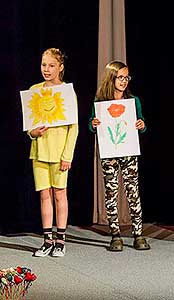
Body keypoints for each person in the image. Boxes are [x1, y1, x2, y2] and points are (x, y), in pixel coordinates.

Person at [89, 60, 150, 252]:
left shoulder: (133, 101)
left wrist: (141, 125)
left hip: (129, 151)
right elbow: (91, 124)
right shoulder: (100, 102)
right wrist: (94, 123)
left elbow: (140, 124)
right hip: (109, 154)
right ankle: (115, 234)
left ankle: (138, 234)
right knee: (111, 192)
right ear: (111, 78)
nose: (124, 81)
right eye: (120, 77)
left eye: (127, 77)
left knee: (133, 192)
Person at [27, 48, 79, 257]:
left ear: (61, 67)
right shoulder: (35, 90)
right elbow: (29, 126)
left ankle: (60, 240)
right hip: (39, 151)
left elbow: (73, 128)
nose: (46, 69)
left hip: (59, 154)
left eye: (51, 65)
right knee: (44, 195)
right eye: (43, 65)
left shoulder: (67, 92)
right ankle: (47, 239)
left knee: (59, 194)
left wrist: (67, 155)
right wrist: (33, 132)